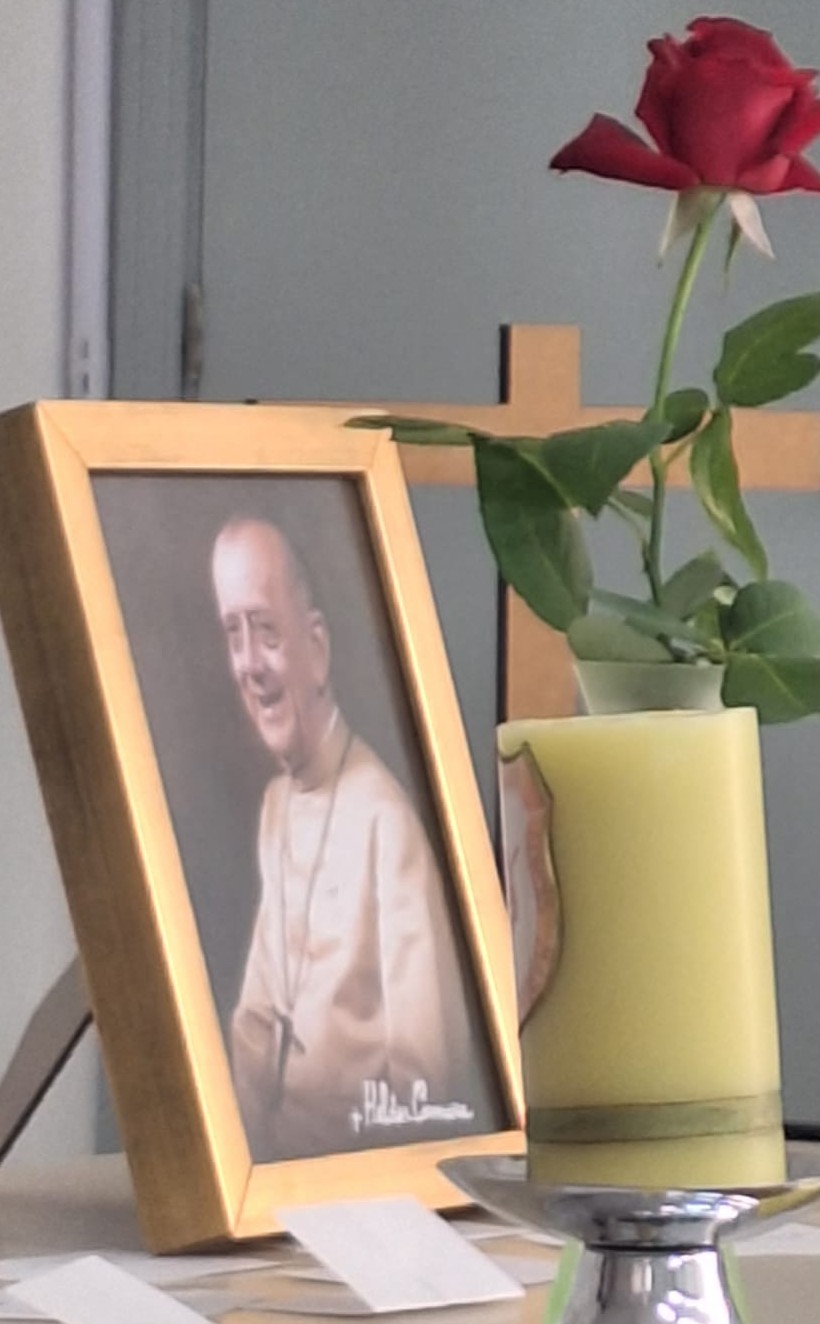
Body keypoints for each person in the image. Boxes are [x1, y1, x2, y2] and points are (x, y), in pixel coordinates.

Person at [211, 516, 483, 1161]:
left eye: (266, 631)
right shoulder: (277, 806)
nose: (249, 664)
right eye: (233, 634)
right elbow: (256, 1024)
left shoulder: (385, 821)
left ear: (317, 648)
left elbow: (426, 1077)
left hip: (361, 1175)